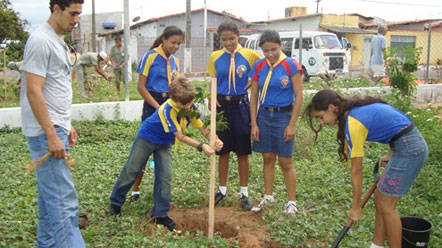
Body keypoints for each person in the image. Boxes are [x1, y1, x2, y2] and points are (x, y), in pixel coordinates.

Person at [304, 89, 428, 248]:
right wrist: (391, 153)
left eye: (320, 117)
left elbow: (357, 171)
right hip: (404, 145)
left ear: (331, 108)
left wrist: (355, 207)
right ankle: (376, 245)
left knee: (386, 205)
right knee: (379, 199)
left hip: (410, 149)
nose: (321, 122)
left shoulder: (353, 122)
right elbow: (394, 123)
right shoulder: (352, 114)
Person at [108, 76, 223, 231]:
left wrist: (214, 139)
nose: (189, 106)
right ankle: (115, 203)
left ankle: (160, 214)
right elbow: (180, 136)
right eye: (185, 104)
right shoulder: (166, 110)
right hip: (147, 138)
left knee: (165, 176)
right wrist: (201, 146)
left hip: (164, 143)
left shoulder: (190, 107)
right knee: (132, 170)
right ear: (173, 99)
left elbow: (203, 129)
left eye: (190, 102)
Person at [20, 0, 85, 247]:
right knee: (64, 203)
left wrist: (65, 123)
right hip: (45, 133)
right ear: (56, 8)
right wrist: (51, 133)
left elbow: (53, 87)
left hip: (54, 127)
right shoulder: (40, 41)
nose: (76, 19)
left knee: (49, 202)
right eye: (73, 13)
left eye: (79, 14)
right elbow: (34, 92)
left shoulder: (55, 39)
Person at [207, 21, 261, 210]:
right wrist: (211, 97)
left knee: (242, 150)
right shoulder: (215, 56)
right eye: (224, 39)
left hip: (240, 105)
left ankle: (244, 192)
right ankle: (221, 190)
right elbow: (213, 80)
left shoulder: (250, 55)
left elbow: (259, 73)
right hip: (222, 105)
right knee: (222, 148)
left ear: (238, 36)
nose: (228, 43)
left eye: (232, 38)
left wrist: (245, 88)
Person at [249, 30, 303, 214]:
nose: (270, 54)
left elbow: (299, 96)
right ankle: (268, 196)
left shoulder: (290, 65)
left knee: (286, 161)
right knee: (267, 158)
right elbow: (254, 96)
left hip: (283, 116)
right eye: (266, 51)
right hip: (264, 116)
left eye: (273, 49)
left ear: (280, 46)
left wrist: (291, 125)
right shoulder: (259, 66)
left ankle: (291, 202)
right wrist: (254, 123)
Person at [129, 26, 184, 202]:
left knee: (163, 148)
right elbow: (141, 87)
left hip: (169, 103)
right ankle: (135, 190)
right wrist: (157, 107)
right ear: (164, 40)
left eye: (179, 44)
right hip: (152, 104)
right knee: (144, 149)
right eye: (173, 42)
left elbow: (177, 85)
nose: (175, 47)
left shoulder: (175, 60)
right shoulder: (150, 56)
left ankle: (160, 193)